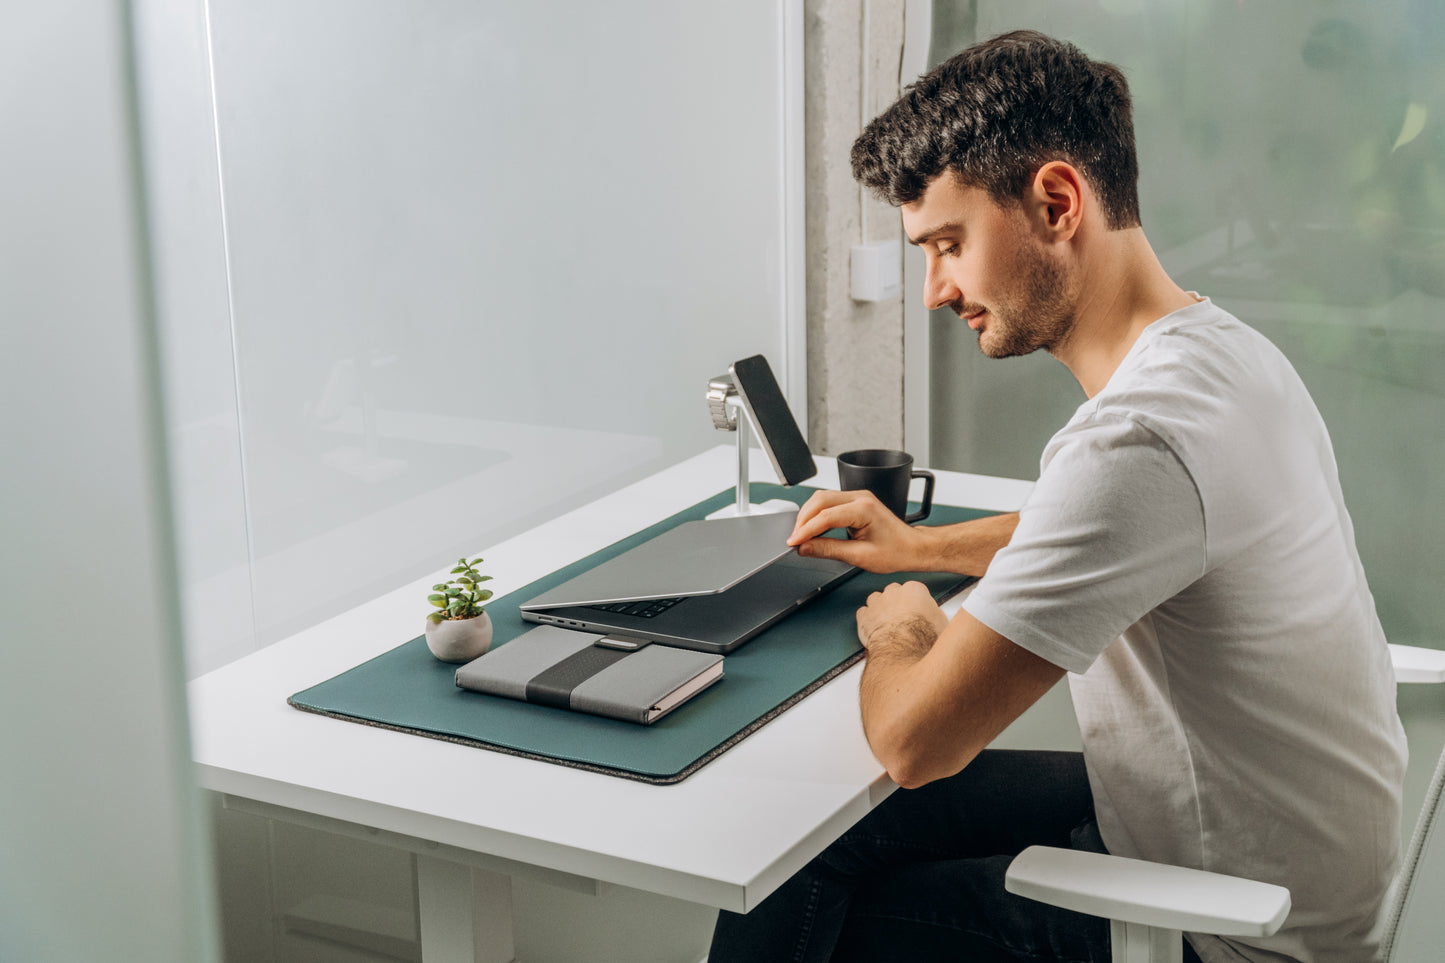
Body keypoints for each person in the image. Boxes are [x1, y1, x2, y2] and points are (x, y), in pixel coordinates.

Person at [708, 29, 1406, 963]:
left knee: (794, 889)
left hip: (1226, 928)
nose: (933, 289)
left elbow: (915, 742)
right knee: (817, 838)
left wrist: (905, 628)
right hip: (1275, 852)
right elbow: (1107, 531)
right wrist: (918, 549)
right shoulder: (1223, 355)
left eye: (947, 244)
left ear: (1055, 201)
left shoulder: (1135, 439)